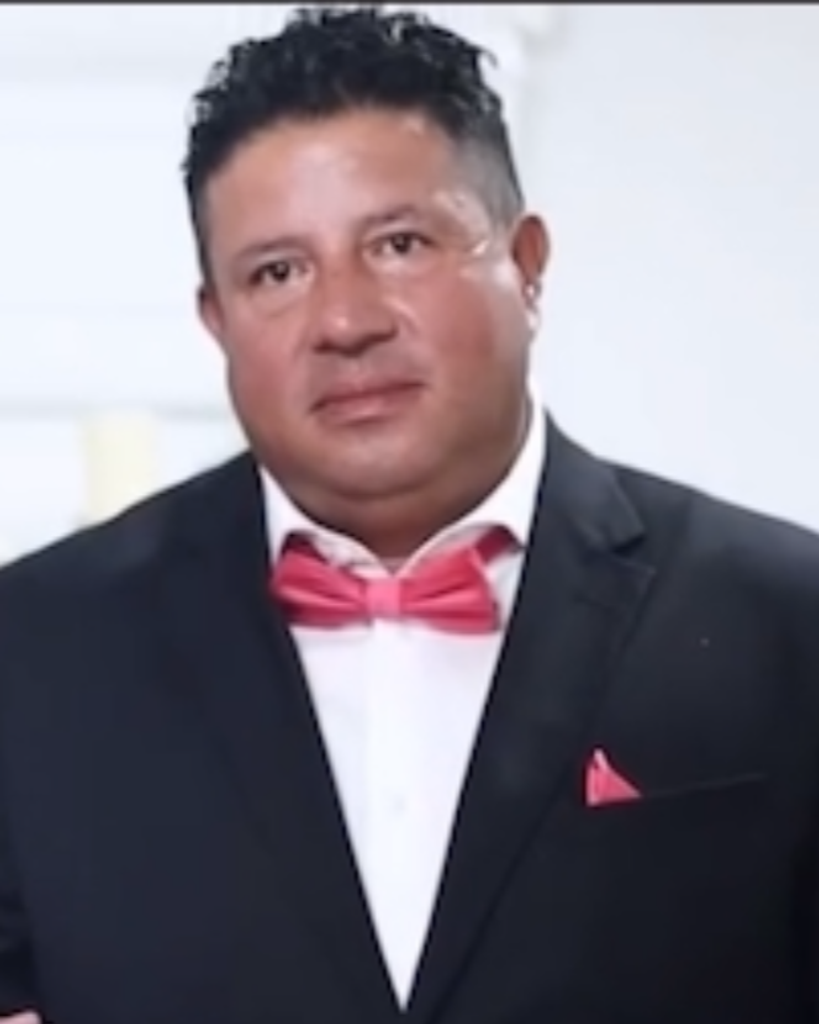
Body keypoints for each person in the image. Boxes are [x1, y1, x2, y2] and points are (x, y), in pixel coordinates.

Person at [1, 5, 819, 1024]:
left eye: (398, 244)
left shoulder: (789, 621)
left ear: (526, 263)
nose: (345, 321)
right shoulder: (31, 648)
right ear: (216, 320)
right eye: (277, 272)